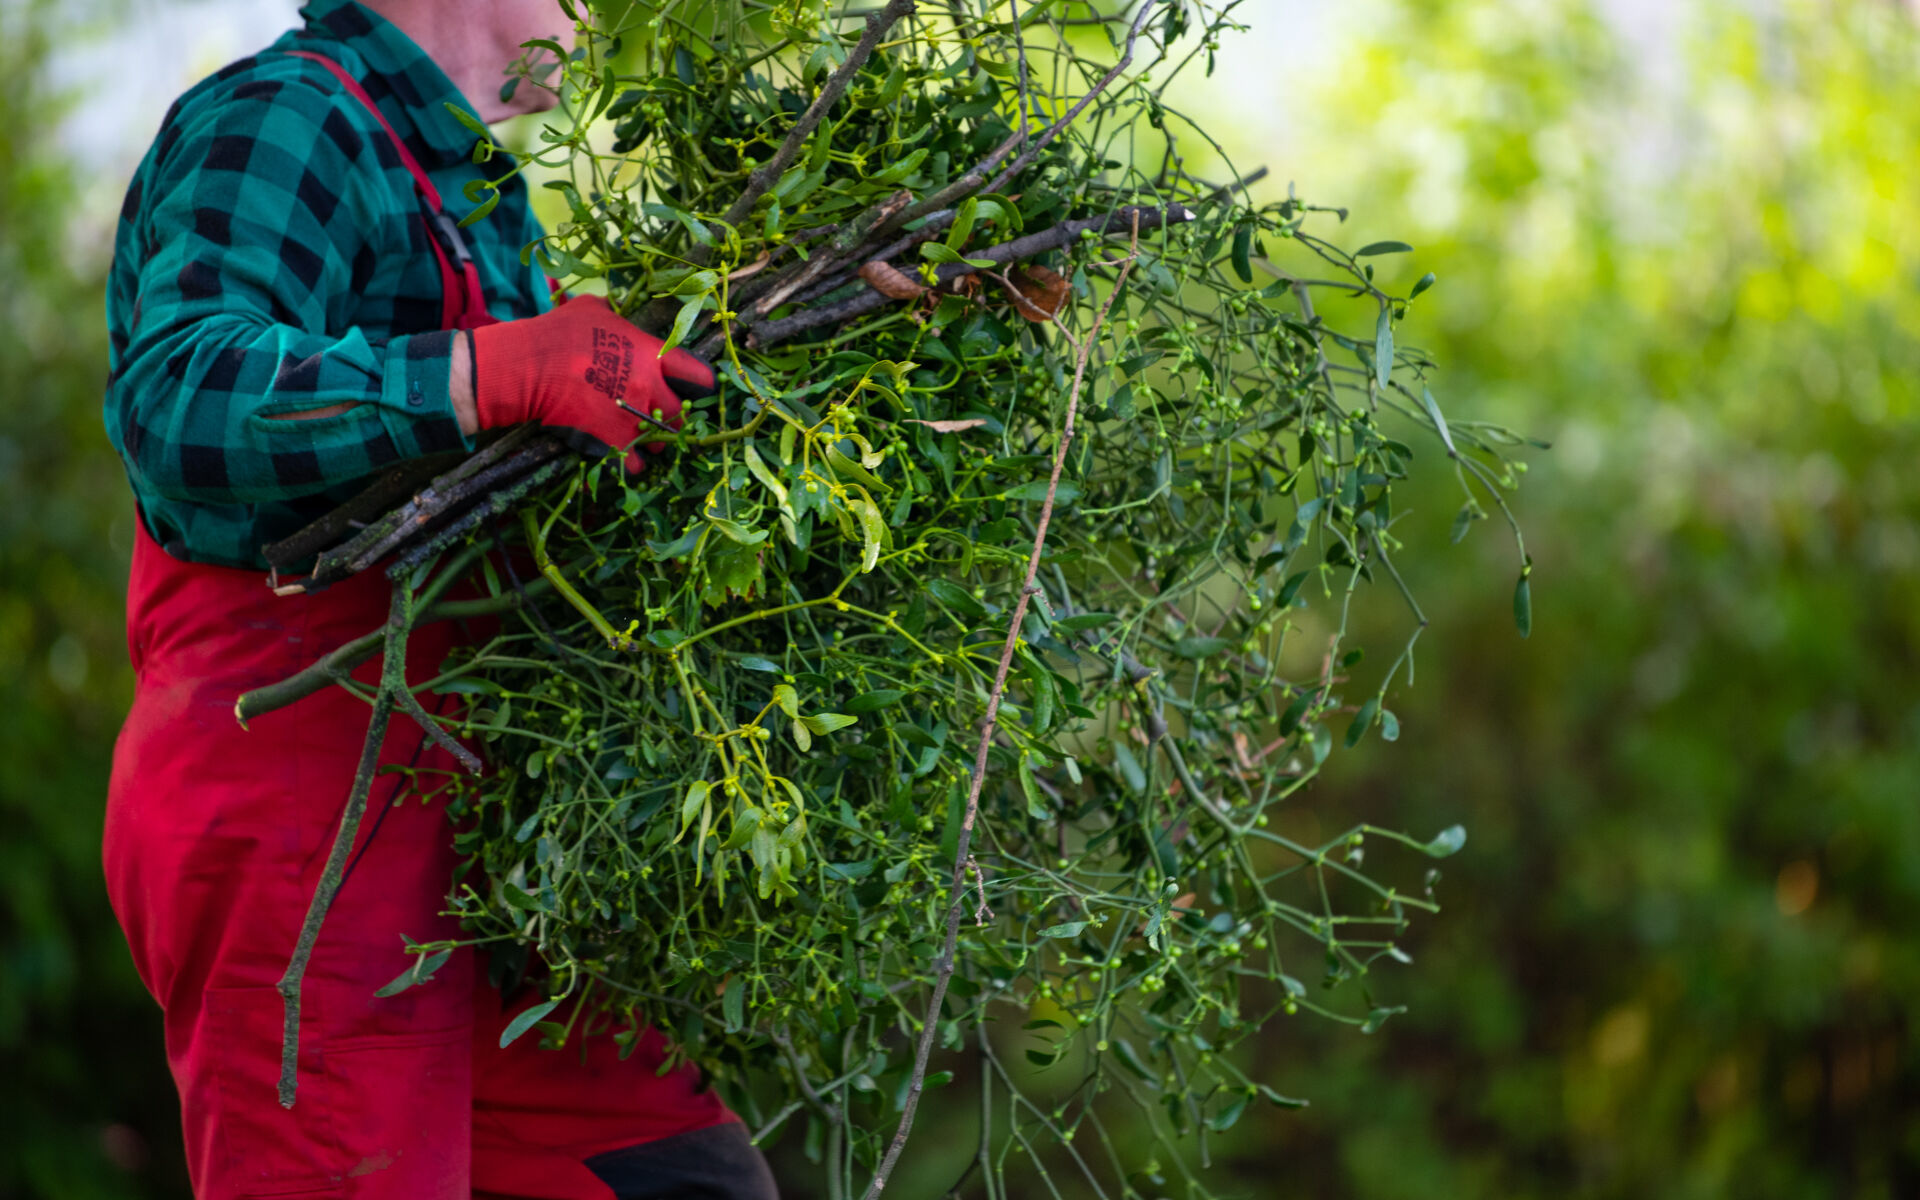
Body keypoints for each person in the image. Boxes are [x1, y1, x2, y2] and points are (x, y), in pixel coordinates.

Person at [100, 2, 777, 1196]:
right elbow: (182, 398)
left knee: (683, 1177)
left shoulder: (466, 190)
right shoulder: (288, 117)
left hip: (457, 837)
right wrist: (493, 371)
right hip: (299, 830)